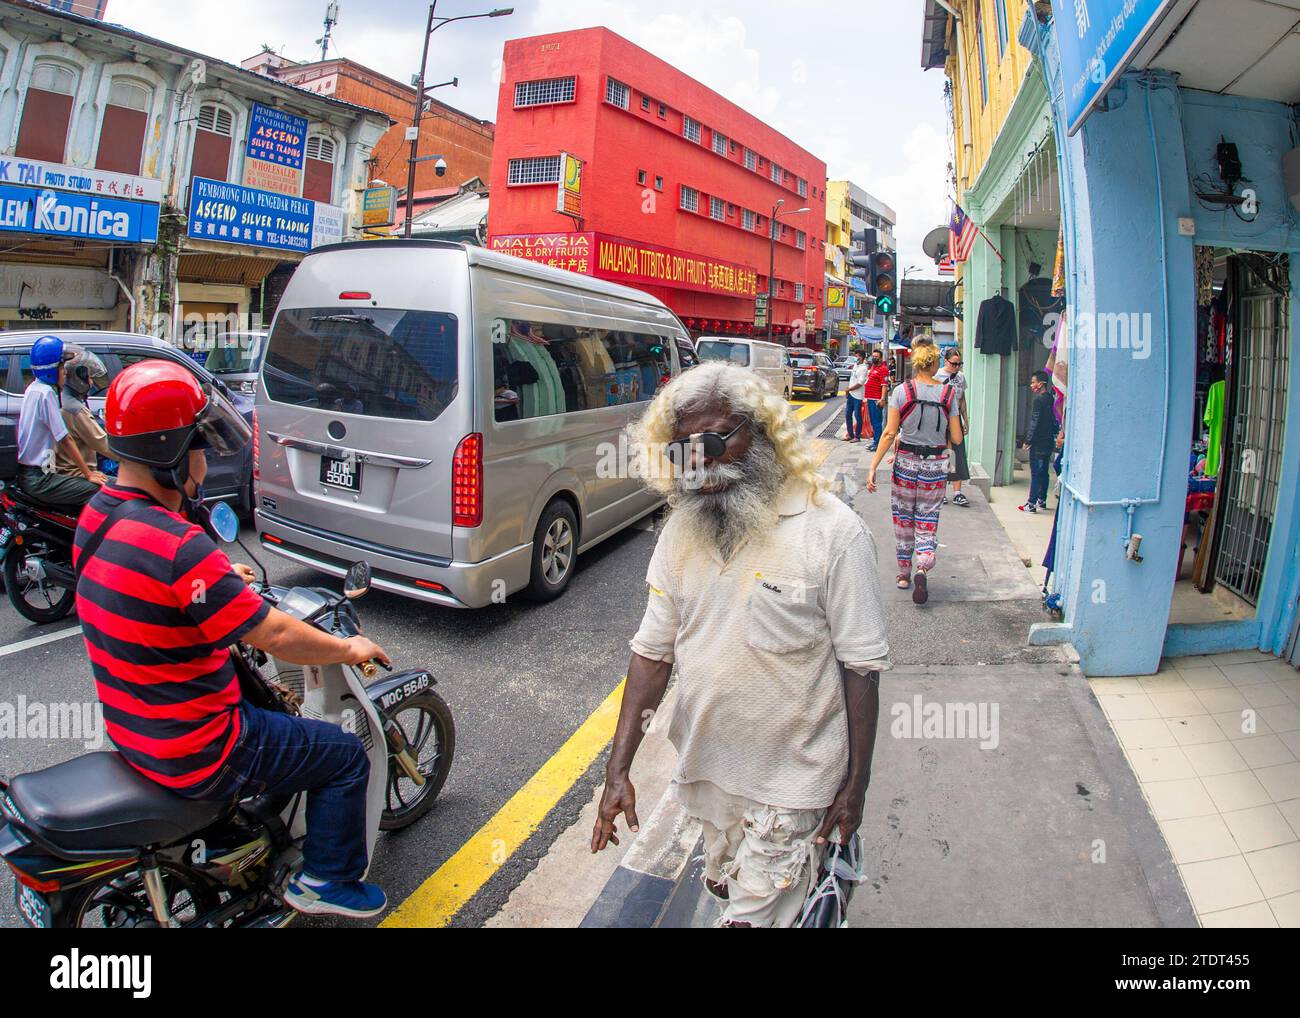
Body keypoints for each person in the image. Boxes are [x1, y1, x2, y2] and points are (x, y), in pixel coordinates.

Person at [75, 359, 392, 919]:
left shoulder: (97, 517)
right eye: (198, 444)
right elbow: (271, 634)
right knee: (342, 755)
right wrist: (348, 648)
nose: (205, 457)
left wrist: (220, 583)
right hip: (199, 745)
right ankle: (324, 881)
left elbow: (148, 591)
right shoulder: (178, 545)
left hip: (132, 727)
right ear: (171, 454)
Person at [591, 362, 889, 927]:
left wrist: (857, 785)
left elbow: (862, 666)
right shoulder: (683, 528)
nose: (698, 462)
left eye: (712, 441)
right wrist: (617, 771)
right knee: (737, 895)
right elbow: (653, 654)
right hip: (707, 774)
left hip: (795, 788)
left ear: (762, 433)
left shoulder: (833, 533)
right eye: (681, 450)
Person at [866, 341, 963, 605]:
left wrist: (873, 466)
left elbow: (888, 433)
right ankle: (923, 565)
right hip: (934, 466)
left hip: (905, 463)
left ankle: (903, 574)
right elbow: (956, 436)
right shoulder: (948, 394)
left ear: (916, 363)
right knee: (927, 518)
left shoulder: (901, 391)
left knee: (903, 517)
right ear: (933, 364)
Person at [14, 335, 105, 509]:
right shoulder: (47, 393)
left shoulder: (33, 389)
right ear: (51, 369)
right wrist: (88, 474)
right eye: (62, 367)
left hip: (30, 474)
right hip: (41, 478)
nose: (65, 372)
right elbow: (65, 438)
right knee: (102, 490)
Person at [55, 346, 110, 480]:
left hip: (69, 472)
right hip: (76, 474)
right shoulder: (74, 409)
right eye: (89, 377)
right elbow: (104, 445)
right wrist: (136, 457)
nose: (91, 382)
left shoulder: (63, 400)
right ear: (77, 379)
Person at [934, 347, 971, 508]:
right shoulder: (937, 376)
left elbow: (962, 400)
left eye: (959, 364)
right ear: (945, 361)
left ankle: (957, 492)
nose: (957, 367)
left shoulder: (960, 377)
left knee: (958, 453)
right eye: (954, 364)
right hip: (940, 420)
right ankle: (940, 491)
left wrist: (966, 420)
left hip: (955, 420)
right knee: (942, 454)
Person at [1020, 370, 1058, 513]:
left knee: (1036, 473)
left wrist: (1028, 440)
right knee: (1044, 473)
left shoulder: (1039, 400)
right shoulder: (1051, 400)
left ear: (1041, 385)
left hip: (1038, 443)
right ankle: (1042, 500)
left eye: (1033, 382)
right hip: (1048, 442)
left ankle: (1031, 503)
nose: (1031, 385)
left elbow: (1035, 422)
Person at [863, 347, 891, 450]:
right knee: (873, 421)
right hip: (870, 398)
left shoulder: (883, 369)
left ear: (881, 358)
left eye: (876, 357)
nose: (874, 358)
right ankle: (875, 441)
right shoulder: (874, 367)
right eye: (873, 356)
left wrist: (882, 399)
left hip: (876, 400)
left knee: (877, 422)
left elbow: (884, 385)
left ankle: (877, 444)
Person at [842, 348, 869, 442]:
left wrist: (849, 389)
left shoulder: (864, 368)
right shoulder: (855, 366)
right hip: (851, 394)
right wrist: (848, 391)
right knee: (848, 415)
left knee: (857, 416)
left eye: (856, 356)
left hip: (858, 396)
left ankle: (857, 436)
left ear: (861, 357)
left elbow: (860, 383)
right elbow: (852, 380)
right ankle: (850, 434)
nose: (855, 357)